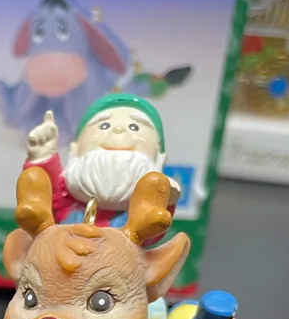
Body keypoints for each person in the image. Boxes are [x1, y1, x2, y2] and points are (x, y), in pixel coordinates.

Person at [21, 92, 179, 228]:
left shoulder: (135, 218)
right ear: (75, 149)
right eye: (104, 126)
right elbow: (47, 198)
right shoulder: (67, 200)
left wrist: (160, 201)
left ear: (159, 157)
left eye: (134, 127)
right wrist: (42, 158)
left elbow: (150, 229)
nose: (118, 130)